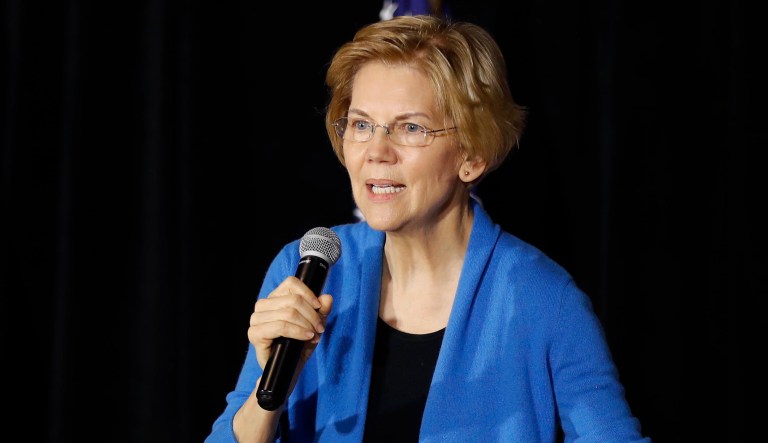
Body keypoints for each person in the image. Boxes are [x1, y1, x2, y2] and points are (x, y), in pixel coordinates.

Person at [205, 14, 650, 443]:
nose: (376, 151)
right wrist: (270, 391)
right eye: (361, 124)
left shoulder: (545, 300)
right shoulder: (306, 267)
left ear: (472, 155)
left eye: (411, 128)